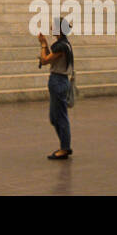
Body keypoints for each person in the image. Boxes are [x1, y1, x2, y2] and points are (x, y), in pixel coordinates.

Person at [38, 19, 73, 159]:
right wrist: (45, 44)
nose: (51, 27)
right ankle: (64, 146)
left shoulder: (62, 46)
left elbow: (45, 60)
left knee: (60, 116)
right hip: (58, 80)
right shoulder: (62, 44)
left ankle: (65, 148)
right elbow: (48, 58)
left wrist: (42, 45)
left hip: (59, 80)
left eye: (54, 25)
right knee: (54, 117)